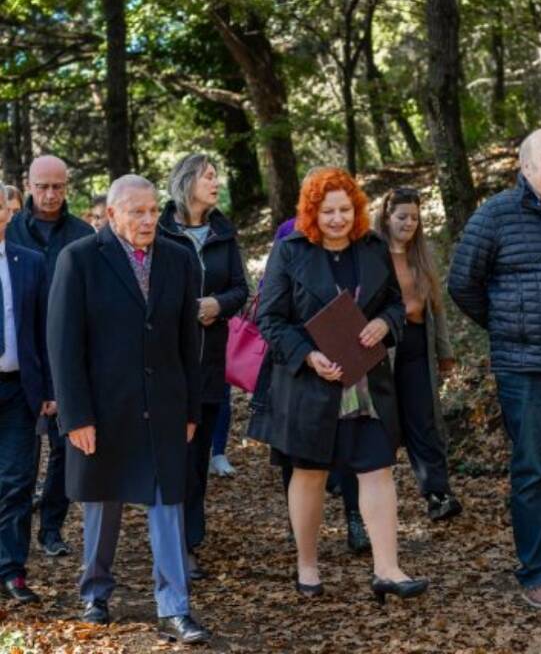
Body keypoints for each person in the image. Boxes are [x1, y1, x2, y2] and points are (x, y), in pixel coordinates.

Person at [47, 174, 210, 643]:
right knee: (102, 504)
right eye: (136, 212)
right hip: (102, 409)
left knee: (167, 504)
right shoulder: (78, 259)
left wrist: (190, 410)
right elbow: (64, 345)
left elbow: (187, 341)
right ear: (112, 214)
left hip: (163, 405)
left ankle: (175, 607)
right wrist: (75, 416)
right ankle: (95, 593)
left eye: (153, 210)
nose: (147, 220)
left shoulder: (178, 260)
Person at [253, 166, 427, 601]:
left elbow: (392, 302)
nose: (337, 218)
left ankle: (387, 568)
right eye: (327, 210)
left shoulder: (372, 247)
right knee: (310, 473)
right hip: (311, 385)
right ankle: (307, 564)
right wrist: (307, 356)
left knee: (377, 468)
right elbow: (269, 319)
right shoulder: (291, 251)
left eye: (345, 209)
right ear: (312, 212)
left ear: (357, 210)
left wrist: (385, 325)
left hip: (367, 385)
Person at [448, 127, 541, 609]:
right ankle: (536, 572)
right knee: (533, 469)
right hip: (526, 367)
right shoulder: (495, 216)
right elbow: (461, 284)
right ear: (527, 167)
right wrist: (508, 326)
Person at [157, 153, 249, 580]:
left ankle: (189, 541)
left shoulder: (224, 233)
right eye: (209, 176)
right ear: (187, 181)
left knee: (197, 460)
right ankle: (170, 541)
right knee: (172, 457)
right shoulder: (159, 231)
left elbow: (240, 289)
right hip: (167, 367)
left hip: (209, 368)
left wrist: (218, 305)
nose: (216, 183)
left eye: (217, 175)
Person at [7, 155, 94, 558]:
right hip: (20, 354)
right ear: (27, 184)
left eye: (57, 186)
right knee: (20, 459)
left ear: (67, 186)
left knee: (65, 444)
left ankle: (52, 528)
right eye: (42, 186)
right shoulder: (12, 230)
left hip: (66, 351)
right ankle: (14, 533)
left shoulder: (81, 234)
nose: (49, 194)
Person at [373, 187, 462, 521]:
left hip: (417, 346)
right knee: (383, 423)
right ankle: (368, 498)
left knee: (424, 420)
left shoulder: (422, 255)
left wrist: (445, 353)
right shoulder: (372, 253)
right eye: (402, 217)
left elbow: (435, 309)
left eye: (414, 217)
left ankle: (438, 493)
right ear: (386, 216)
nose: (409, 223)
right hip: (383, 347)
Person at [0, 185, 51, 605]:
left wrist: (51, 388)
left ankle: (12, 569)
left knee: (17, 481)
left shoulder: (30, 263)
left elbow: (44, 331)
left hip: (20, 389)